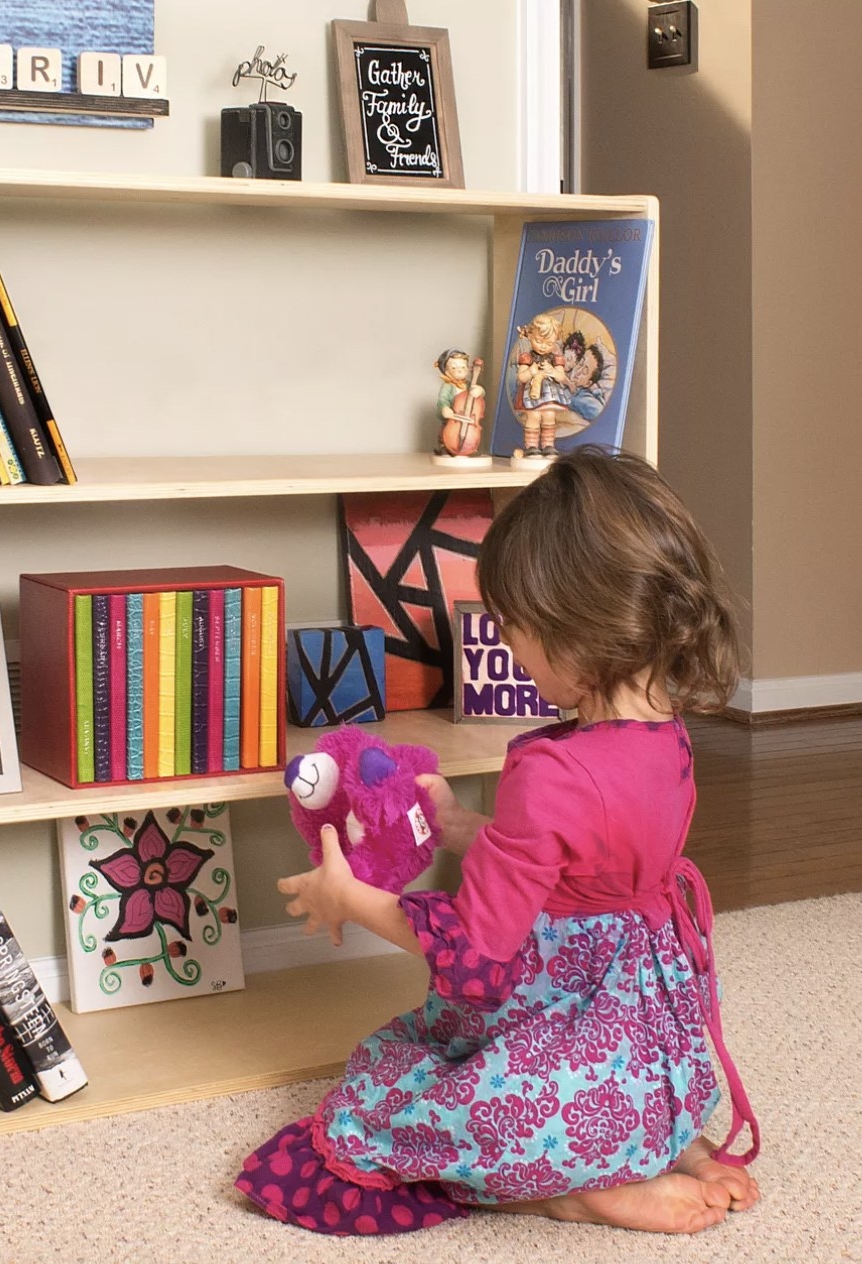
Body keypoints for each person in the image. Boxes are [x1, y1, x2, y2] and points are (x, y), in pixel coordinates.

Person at [235, 447, 761, 1238]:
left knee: (386, 1098)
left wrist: (351, 896)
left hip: (566, 1008)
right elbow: (586, 864)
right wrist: (460, 829)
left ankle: (566, 1190)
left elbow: (475, 956)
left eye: (515, 628)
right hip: (645, 1017)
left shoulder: (553, 771)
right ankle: (662, 1137)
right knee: (625, 1084)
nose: (510, 648)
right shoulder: (669, 736)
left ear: (578, 631)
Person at [512, 311, 570, 457]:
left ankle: (548, 445)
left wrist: (553, 372)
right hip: (531, 395)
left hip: (549, 395)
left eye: (549, 343)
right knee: (534, 417)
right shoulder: (527, 357)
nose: (543, 347)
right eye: (539, 341)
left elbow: (562, 377)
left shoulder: (556, 358)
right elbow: (522, 377)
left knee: (549, 415)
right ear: (530, 336)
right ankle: (531, 445)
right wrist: (531, 371)